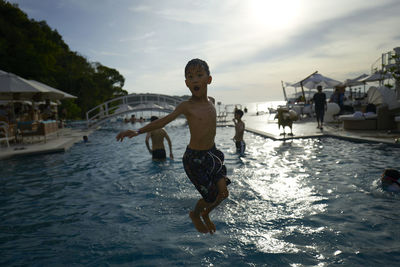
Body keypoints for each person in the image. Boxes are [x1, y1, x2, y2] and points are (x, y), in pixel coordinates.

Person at [116, 58, 231, 234]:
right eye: (190, 77)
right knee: (211, 196)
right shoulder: (186, 106)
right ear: (186, 83)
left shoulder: (212, 102)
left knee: (223, 194)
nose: (194, 80)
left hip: (212, 153)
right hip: (195, 158)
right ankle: (196, 214)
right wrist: (138, 131)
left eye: (199, 75)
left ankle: (206, 214)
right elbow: (164, 121)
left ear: (209, 79)